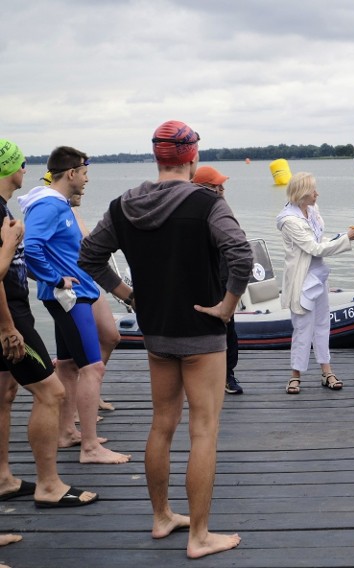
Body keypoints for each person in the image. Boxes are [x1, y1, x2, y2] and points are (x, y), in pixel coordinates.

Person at [78, 120, 250, 558]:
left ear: (159, 158)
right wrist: (227, 306)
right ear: (192, 159)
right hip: (202, 332)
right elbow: (240, 253)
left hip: (156, 333)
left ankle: (161, 517)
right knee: (204, 431)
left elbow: (90, 256)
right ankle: (199, 537)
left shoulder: (122, 206)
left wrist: (128, 296)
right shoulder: (207, 202)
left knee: (162, 425)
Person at [0, 139, 98, 509]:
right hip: (11, 316)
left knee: (5, 394)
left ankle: (4, 477)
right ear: (8, 168)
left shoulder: (7, 208)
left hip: (12, 311)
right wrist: (9, 327)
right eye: (21, 162)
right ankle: (49, 485)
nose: (27, 169)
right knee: (52, 393)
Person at [18, 146, 129, 464]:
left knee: (67, 366)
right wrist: (56, 279)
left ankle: (67, 432)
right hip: (70, 298)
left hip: (72, 297)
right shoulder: (49, 205)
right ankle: (91, 448)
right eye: (84, 173)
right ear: (71, 173)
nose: (87, 179)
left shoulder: (56, 203)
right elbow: (31, 247)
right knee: (92, 368)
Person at [276, 172, 354, 395]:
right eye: (313, 190)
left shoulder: (312, 211)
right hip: (301, 279)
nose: (317, 194)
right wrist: (347, 239)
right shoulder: (289, 221)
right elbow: (313, 248)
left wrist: (345, 235)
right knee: (303, 327)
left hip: (318, 276)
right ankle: (295, 375)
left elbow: (320, 240)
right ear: (302, 193)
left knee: (323, 323)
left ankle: (327, 370)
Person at [192, 165, 243, 395]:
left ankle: (227, 375)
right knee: (201, 331)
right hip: (202, 281)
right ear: (204, 187)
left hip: (223, 279)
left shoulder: (223, 209)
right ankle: (201, 377)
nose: (222, 188)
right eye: (217, 185)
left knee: (229, 330)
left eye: (221, 185)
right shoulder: (195, 211)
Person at [69, 192, 120, 413]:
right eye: (82, 174)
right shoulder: (53, 208)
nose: (86, 184)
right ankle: (77, 407)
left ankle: (90, 393)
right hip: (71, 288)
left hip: (88, 281)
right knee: (71, 356)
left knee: (111, 336)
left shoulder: (71, 210)